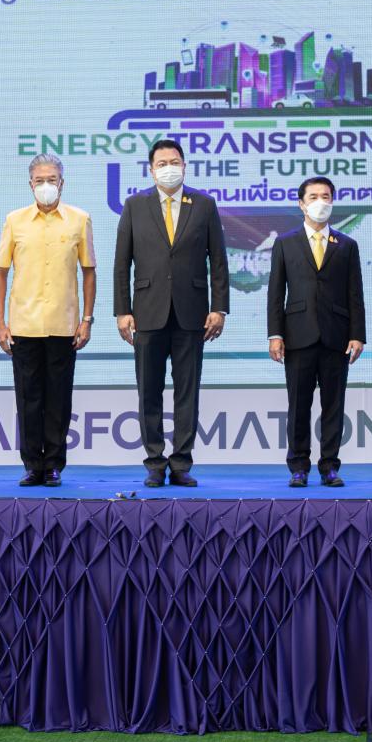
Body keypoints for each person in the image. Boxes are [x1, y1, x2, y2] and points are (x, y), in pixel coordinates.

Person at [114, 140, 229, 488]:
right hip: (147, 312)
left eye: (174, 161)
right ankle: (153, 461)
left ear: (185, 165)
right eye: (162, 162)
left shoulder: (204, 205)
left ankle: (181, 462)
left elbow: (219, 261)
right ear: (150, 169)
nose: (169, 167)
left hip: (192, 313)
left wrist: (219, 307)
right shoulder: (135, 205)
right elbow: (122, 263)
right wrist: (123, 311)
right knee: (148, 390)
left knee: (187, 392)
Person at [0, 155, 97, 488]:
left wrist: (87, 320)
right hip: (23, 325)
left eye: (52, 179)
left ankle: (53, 464)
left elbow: (89, 272)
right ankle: (32, 465)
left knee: (59, 399)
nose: (46, 185)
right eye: (40, 180)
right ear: (30, 185)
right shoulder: (15, 221)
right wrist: (0, 323)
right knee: (28, 398)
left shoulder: (79, 220)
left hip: (64, 326)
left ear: (62, 183)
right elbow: (0, 274)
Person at [267, 176, 366, 488]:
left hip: (336, 336)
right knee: (298, 404)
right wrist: (275, 334)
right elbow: (275, 292)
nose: (320, 201)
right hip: (297, 335)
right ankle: (298, 466)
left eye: (325, 196)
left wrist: (357, 334)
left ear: (333, 202)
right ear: (301, 203)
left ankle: (329, 466)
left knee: (333, 404)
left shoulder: (347, 245)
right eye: (313, 196)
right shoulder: (284, 243)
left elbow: (355, 294)